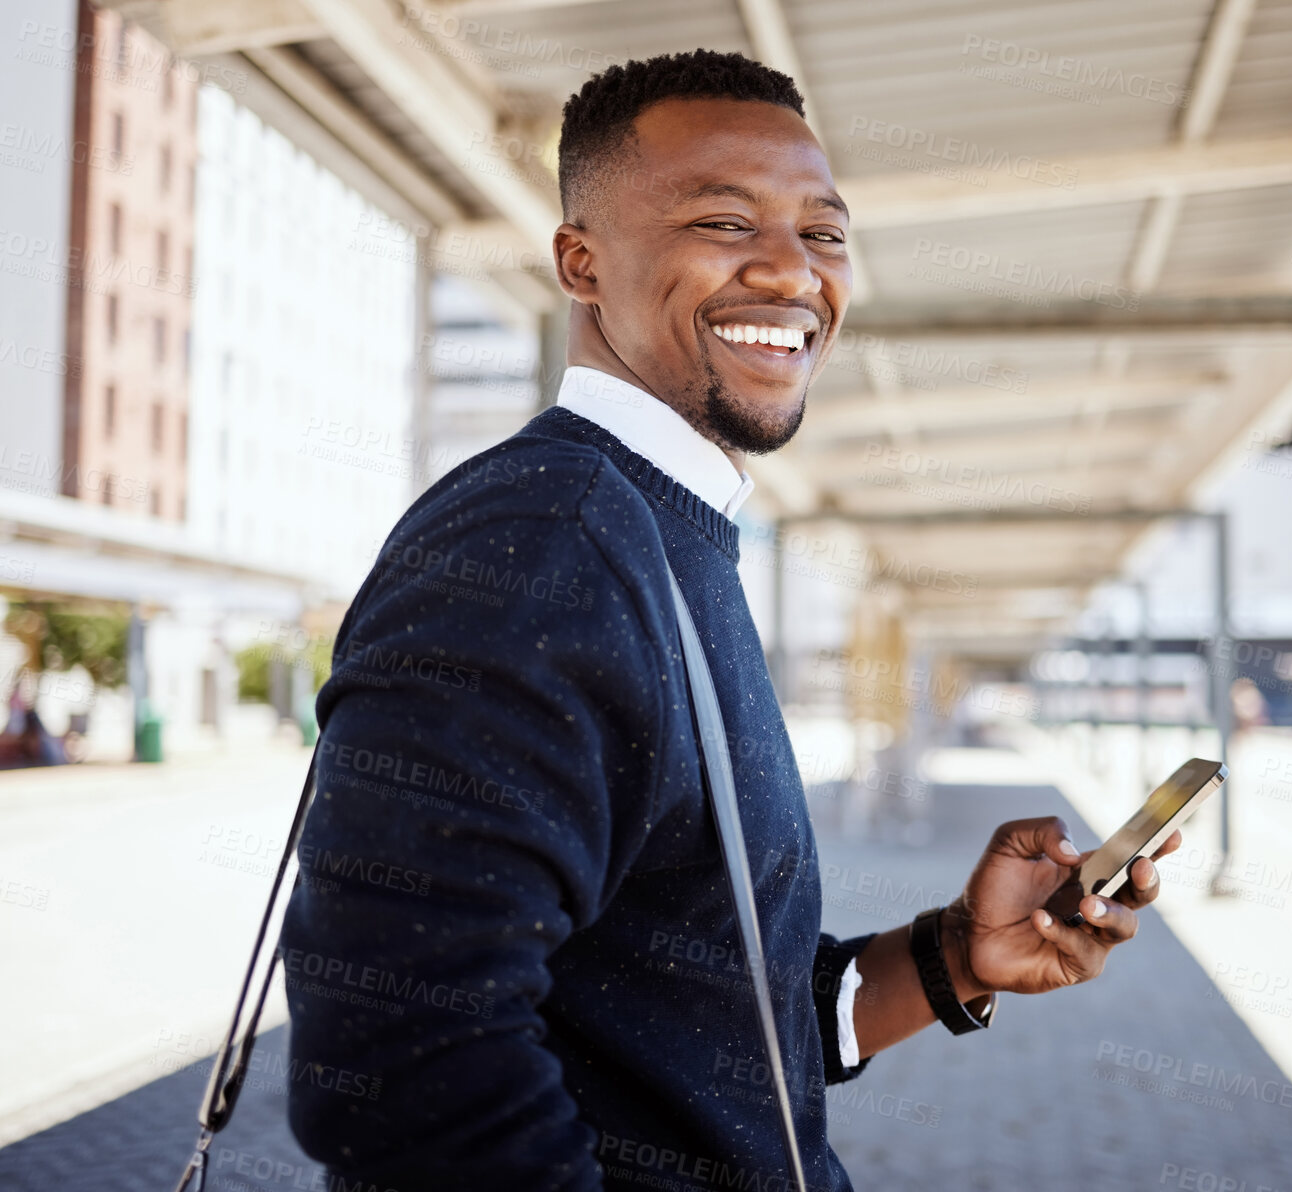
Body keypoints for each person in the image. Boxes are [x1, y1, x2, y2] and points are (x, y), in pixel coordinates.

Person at [278, 49, 1180, 1192]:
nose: (791, 271)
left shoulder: (664, 532)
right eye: (722, 219)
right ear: (581, 263)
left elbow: (721, 1033)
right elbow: (404, 1070)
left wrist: (960, 953)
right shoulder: (544, 545)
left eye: (824, 232)